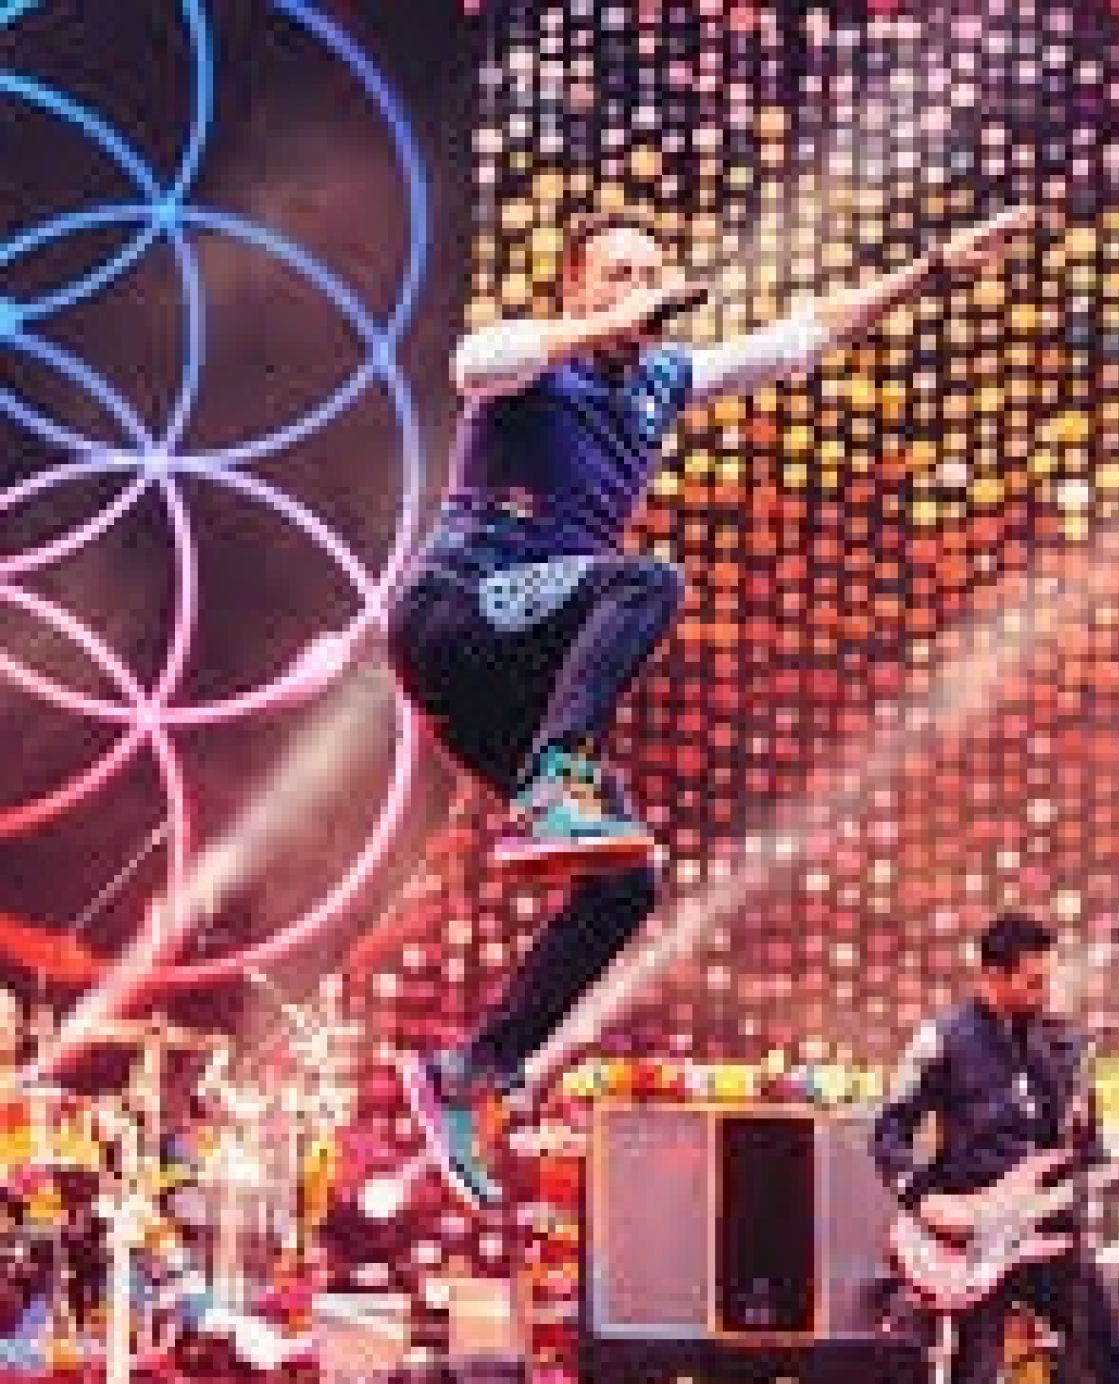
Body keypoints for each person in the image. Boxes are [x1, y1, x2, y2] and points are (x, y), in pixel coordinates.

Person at [389, 203, 1033, 1207]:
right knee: (645, 581)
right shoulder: (532, 366)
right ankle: (556, 781)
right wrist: (598, 327)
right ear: (575, 289)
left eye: (652, 274)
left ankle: (474, 1067)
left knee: (624, 883)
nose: (639, 290)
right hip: (460, 614)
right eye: (617, 274)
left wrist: (932, 270)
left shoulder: (664, 380)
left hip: (511, 677)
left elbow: (803, 336)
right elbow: (475, 361)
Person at [869, 912, 1119, 1384]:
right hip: (974, 1241)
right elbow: (889, 1131)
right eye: (1032, 982)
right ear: (992, 975)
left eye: (1047, 979)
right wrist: (924, 1199)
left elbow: (1084, 1152)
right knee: (972, 1381)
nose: (1043, 993)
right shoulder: (943, 1038)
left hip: (1050, 1236)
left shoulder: (1062, 1045)